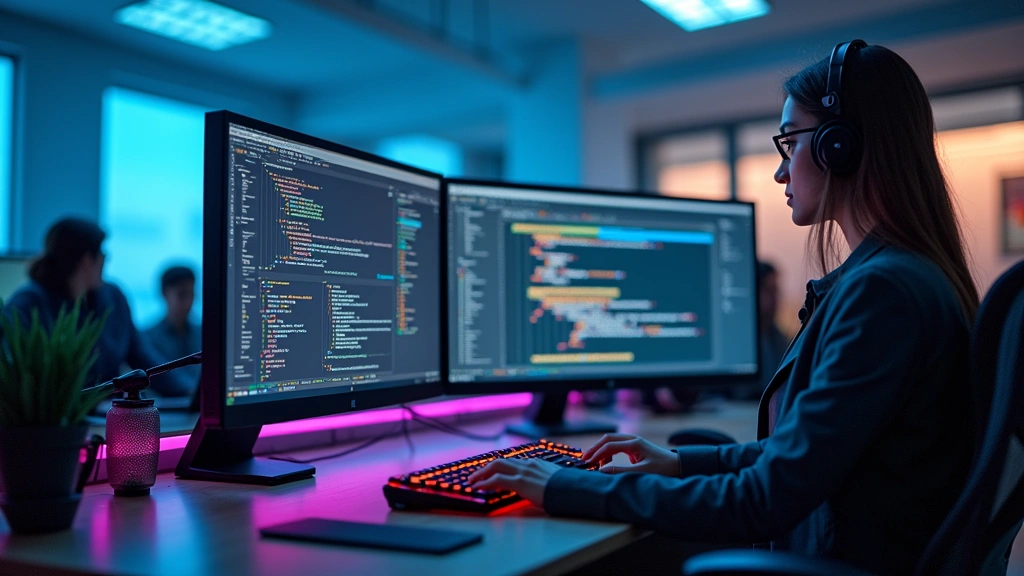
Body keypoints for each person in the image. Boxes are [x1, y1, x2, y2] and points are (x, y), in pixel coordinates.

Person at [468, 40, 978, 575]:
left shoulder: (884, 293)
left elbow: (765, 499)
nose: (782, 173)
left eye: (790, 144)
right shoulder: (909, 277)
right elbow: (802, 458)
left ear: (837, 147)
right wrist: (680, 461)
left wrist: (571, 487)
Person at [4, 218, 193, 397]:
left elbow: (143, 358)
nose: (106, 260)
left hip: (108, 416)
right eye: (103, 254)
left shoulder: (113, 298)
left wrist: (190, 392)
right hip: (53, 425)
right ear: (86, 260)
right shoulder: (27, 305)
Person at [143, 266, 201, 387]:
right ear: (164, 294)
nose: (188, 302)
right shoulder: (147, 339)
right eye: (181, 295)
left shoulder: (203, 334)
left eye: (191, 294)